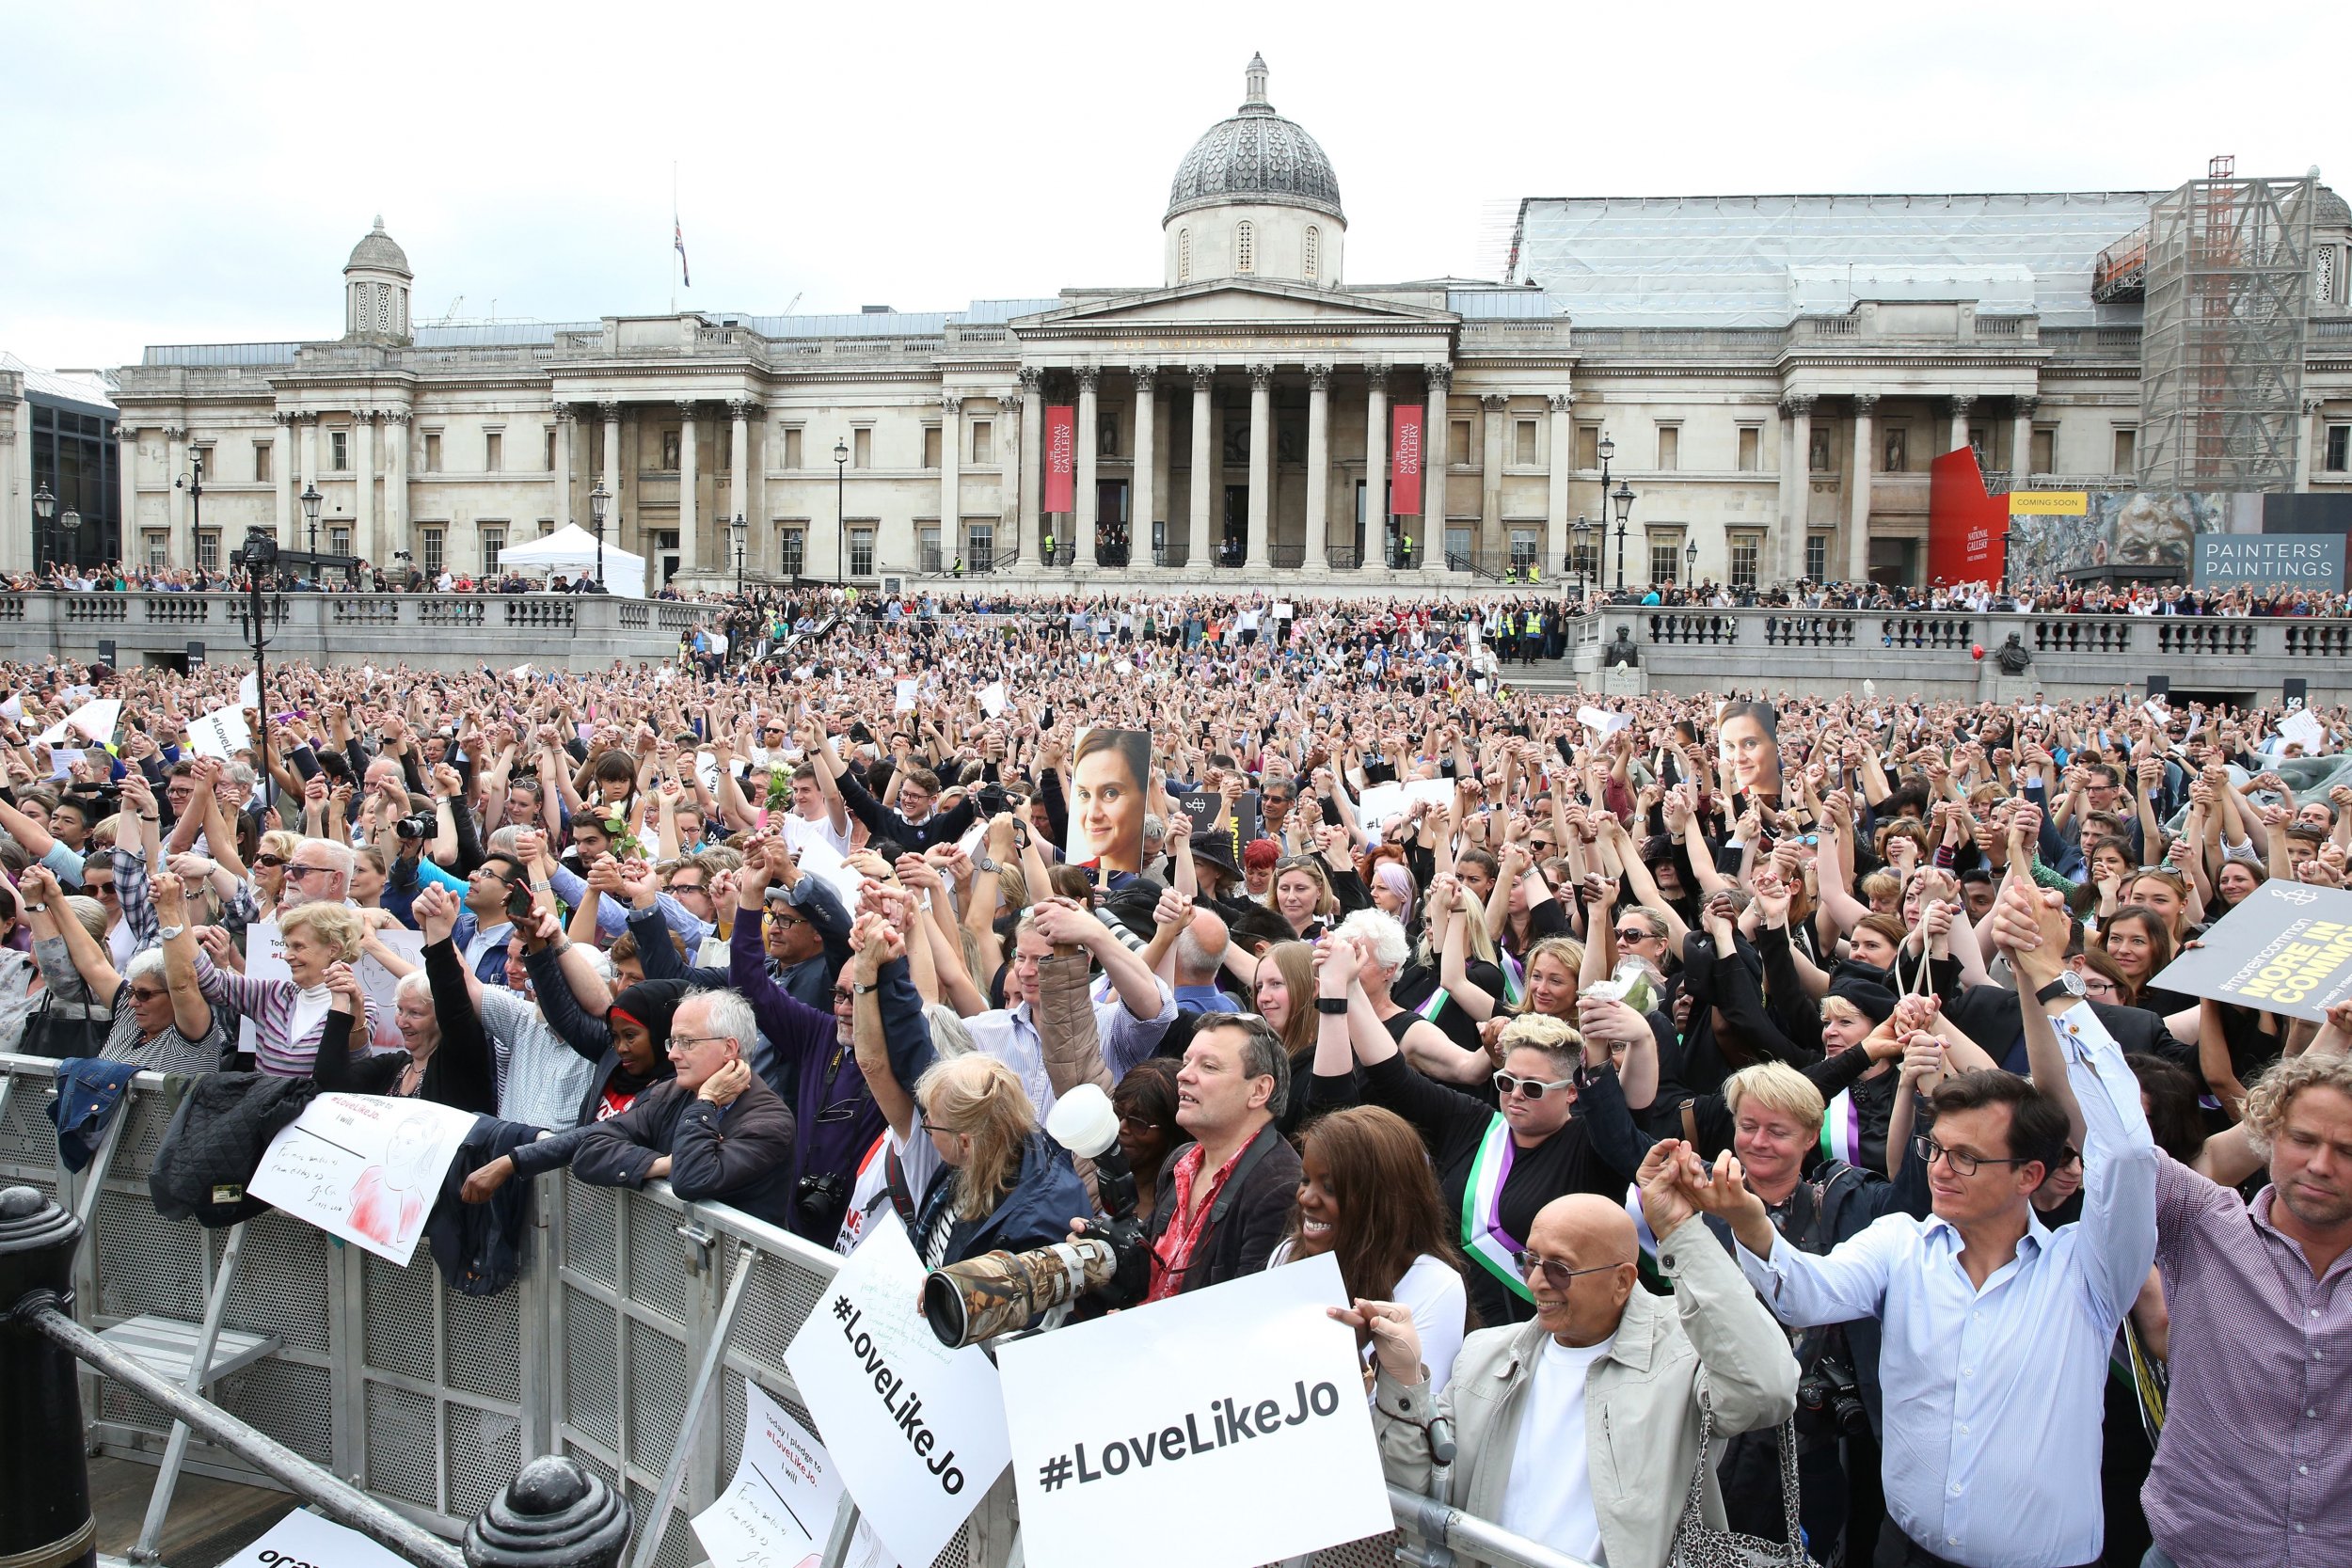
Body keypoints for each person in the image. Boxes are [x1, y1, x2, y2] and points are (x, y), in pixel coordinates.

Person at [1703, 880, 2157, 1568]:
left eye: (1968, 1157)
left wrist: (2051, 981)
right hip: (1901, 1551)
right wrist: (1749, 1223)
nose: (1940, 1169)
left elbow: (2124, 1148)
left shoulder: (2087, 1270)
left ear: (2030, 1175)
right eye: (1936, 1149)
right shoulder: (1901, 1243)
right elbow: (1802, 1292)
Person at [1346, 1142, 1799, 1568]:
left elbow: (1768, 1390)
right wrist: (1404, 1380)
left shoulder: (1684, 1351)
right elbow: (1413, 1492)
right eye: (1531, 1260)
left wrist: (1681, 1232)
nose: (1537, 1282)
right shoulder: (1486, 1355)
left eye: (1559, 1269)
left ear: (1622, 1281)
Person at [2136, 1007, 2352, 1568]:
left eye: (2348, 1151)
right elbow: (2097, 1130)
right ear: (2267, 1136)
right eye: (2301, 1139)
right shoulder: (2204, 1222)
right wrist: (2048, 976)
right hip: (2192, 1553)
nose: (2321, 1165)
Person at [1273, 1104, 1470, 1396]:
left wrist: (1354, 1360)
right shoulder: (1287, 1254)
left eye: (1330, 1187)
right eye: (1305, 1180)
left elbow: (1415, 1425)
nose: (1307, 1198)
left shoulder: (1435, 1285)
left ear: (1382, 1201)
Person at [568, 988, 797, 1227]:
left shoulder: (770, 1123)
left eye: (686, 1042)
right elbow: (589, 1151)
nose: (673, 1055)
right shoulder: (671, 1093)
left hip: (732, 1261)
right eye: (673, 1042)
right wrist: (661, 1164)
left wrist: (707, 1101)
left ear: (729, 1048)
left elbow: (690, 1179)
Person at [1142, 1012, 1302, 1300]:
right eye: (1187, 1061)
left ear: (1259, 1090)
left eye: (1209, 1067)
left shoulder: (1280, 1189)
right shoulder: (1179, 1161)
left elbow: (1243, 1317)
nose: (1183, 1074)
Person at [1068, 727, 1150, 876]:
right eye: (1084, 794)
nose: (1093, 815)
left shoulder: (1164, 876)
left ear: (1145, 795)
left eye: (1110, 793)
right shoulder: (1074, 875)